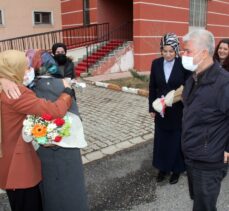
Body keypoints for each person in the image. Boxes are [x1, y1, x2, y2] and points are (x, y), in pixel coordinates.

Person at [0, 50, 74, 211]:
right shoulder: (16, 93)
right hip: (19, 168)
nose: (28, 70)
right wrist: (67, 93)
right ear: (14, 70)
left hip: (7, 160)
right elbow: (54, 110)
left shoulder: (4, 88)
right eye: (25, 67)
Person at [25, 50, 89, 211]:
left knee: (52, 190)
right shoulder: (64, 83)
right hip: (69, 148)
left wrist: (45, 136)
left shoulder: (30, 89)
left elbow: (31, 120)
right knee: (72, 189)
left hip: (45, 148)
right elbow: (75, 116)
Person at [181, 29, 229, 211]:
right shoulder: (193, 78)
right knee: (199, 202)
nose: (183, 55)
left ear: (204, 53)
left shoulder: (224, 83)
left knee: (204, 207)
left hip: (209, 161)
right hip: (191, 155)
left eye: (188, 51)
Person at [148, 33, 191, 184]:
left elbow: (189, 84)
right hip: (161, 110)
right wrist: (151, 108)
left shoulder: (183, 64)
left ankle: (176, 170)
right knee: (162, 140)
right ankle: (162, 168)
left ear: (176, 50)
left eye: (171, 51)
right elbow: (152, 86)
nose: (167, 54)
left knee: (176, 140)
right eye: (164, 51)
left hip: (178, 109)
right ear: (161, 50)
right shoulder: (156, 63)